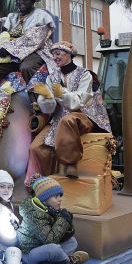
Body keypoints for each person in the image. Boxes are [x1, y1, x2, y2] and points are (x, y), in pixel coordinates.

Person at [29, 41, 112, 178]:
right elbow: (50, 109)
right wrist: (46, 98)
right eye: (53, 54)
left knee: (68, 120)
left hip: (83, 116)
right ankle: (46, 179)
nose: (55, 57)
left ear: (69, 54)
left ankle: (70, 164)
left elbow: (79, 102)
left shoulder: (85, 74)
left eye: (58, 53)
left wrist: (61, 94)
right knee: (36, 148)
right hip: (58, 119)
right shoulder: (52, 77)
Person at [0, 0, 55, 84]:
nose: (21, 2)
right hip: (11, 57)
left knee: (27, 67)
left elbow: (34, 39)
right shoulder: (12, 17)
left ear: (33, 1)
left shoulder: (42, 16)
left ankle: (38, 98)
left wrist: (9, 50)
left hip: (36, 52)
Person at [17, 174, 89, 264]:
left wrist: (67, 221)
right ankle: (69, 261)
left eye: (60, 195)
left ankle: (50, 263)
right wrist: (63, 220)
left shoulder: (48, 208)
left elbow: (60, 236)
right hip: (30, 253)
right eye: (55, 196)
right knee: (54, 249)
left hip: (43, 247)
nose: (60, 199)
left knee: (72, 242)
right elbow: (50, 240)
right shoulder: (34, 215)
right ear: (44, 198)